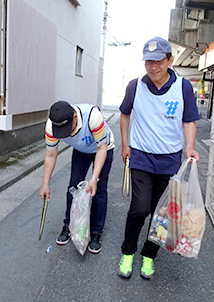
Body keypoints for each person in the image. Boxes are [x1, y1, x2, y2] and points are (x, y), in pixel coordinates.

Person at [117, 37, 200, 279]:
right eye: (148, 63)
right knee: (140, 209)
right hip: (141, 157)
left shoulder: (183, 87)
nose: (153, 67)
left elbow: (189, 120)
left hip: (170, 160)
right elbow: (124, 115)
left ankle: (148, 257)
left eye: (159, 61)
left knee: (161, 215)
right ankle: (128, 252)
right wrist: (125, 144)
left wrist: (190, 147)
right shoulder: (135, 86)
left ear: (169, 60)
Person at [40, 101, 115, 254]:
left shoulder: (92, 117)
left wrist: (94, 178)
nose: (65, 133)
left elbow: (101, 148)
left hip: (103, 148)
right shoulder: (51, 126)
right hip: (81, 150)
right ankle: (68, 225)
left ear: (75, 117)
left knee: (99, 189)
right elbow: (51, 154)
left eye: (68, 128)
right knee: (73, 187)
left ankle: (96, 232)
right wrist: (45, 183)